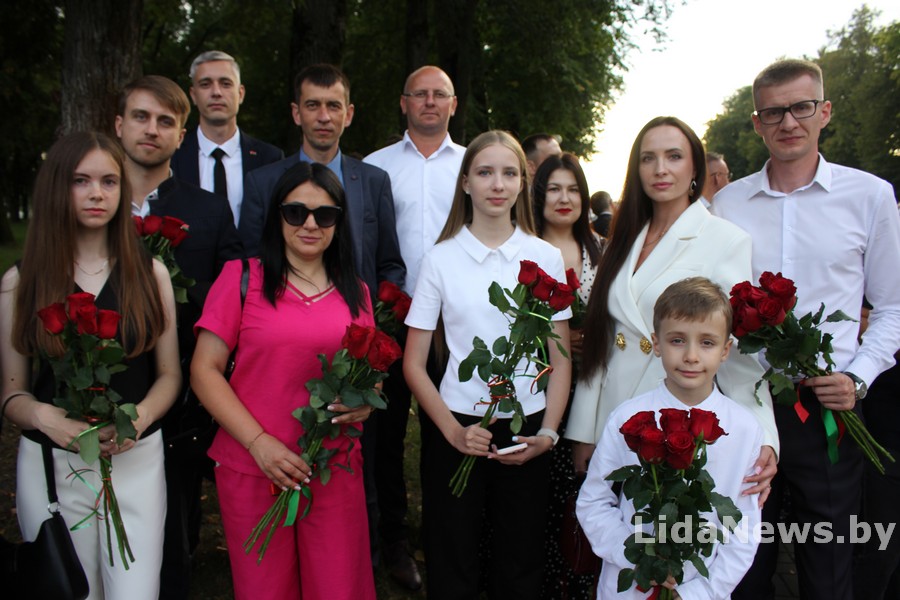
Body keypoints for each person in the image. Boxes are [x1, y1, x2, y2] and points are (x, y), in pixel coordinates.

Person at [713, 58, 900, 600]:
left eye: (801, 107)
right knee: (745, 565)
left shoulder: (870, 196)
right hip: (749, 404)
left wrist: (858, 377)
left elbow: (892, 307)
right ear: (757, 122)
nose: (789, 122)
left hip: (830, 409)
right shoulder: (728, 204)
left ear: (825, 111)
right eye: (773, 112)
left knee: (829, 567)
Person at [0, 131, 181, 599]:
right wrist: (46, 417)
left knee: (135, 591)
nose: (97, 193)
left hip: (135, 457)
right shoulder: (21, 281)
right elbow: (12, 392)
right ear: (57, 187)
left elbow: (169, 376)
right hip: (53, 461)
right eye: (81, 180)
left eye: (109, 181)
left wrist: (140, 417)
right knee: (71, 590)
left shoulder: (151, 273)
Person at [240, 62, 405, 564]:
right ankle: (284, 554)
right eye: (313, 105)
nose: (324, 116)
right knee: (287, 453)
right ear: (297, 113)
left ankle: (362, 560)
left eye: (334, 105)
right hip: (284, 347)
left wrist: (373, 340)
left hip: (353, 354)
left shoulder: (372, 180)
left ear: (349, 113)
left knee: (357, 463)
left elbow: (390, 263)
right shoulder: (263, 183)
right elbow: (249, 268)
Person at [190, 162, 377, 600]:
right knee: (265, 589)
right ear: (277, 215)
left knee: (337, 587)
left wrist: (368, 401)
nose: (310, 224)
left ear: (339, 222)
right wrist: (259, 444)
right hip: (253, 465)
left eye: (324, 215)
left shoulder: (357, 292)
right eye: (296, 212)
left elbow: (370, 377)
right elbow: (204, 370)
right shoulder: (242, 278)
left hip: (332, 467)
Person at [566, 116, 778, 495]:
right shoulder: (623, 238)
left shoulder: (725, 240)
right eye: (648, 158)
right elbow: (603, 340)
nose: (660, 169)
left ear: (695, 167)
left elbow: (737, 353)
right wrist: (585, 429)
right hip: (612, 419)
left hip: (673, 426)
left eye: (674, 156)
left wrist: (764, 435)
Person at [403, 130, 572, 599]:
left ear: (522, 183)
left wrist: (548, 433)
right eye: (484, 172)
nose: (497, 184)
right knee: (453, 555)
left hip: (525, 428)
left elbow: (558, 360)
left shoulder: (545, 256)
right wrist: (453, 432)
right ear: (465, 182)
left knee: (519, 558)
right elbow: (414, 363)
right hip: (457, 425)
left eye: (509, 173)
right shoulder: (439, 259)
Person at [116, 74, 244, 600]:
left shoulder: (209, 211)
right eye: (141, 117)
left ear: (181, 135)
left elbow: (231, 298)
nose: (152, 129)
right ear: (119, 125)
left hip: (182, 398)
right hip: (105, 386)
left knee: (174, 523)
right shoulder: (94, 202)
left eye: (165, 121)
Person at [577, 277, 763, 599]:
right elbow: (594, 501)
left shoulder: (745, 428)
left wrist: (702, 591)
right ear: (657, 343)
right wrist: (638, 559)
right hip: (631, 585)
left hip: (702, 585)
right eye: (677, 340)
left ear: (726, 350)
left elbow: (744, 525)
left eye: (707, 343)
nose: (691, 356)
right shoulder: (627, 418)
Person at [363, 64, 464, 589]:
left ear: (453, 104)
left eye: (438, 94)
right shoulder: (374, 168)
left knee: (447, 433)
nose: (429, 102)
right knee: (384, 436)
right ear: (403, 103)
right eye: (419, 94)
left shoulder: (472, 167)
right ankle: (394, 542)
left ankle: (445, 537)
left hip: (456, 324)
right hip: (391, 321)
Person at [531, 152, 603, 598]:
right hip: (536, 384)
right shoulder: (524, 249)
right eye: (554, 188)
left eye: (573, 189)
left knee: (578, 490)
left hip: (590, 386)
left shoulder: (603, 250)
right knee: (537, 492)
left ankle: (574, 580)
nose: (564, 198)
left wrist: (592, 338)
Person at [170, 51, 283, 228]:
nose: (216, 92)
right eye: (205, 84)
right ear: (193, 95)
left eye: (225, 84)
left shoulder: (270, 159)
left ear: (241, 93)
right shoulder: (173, 156)